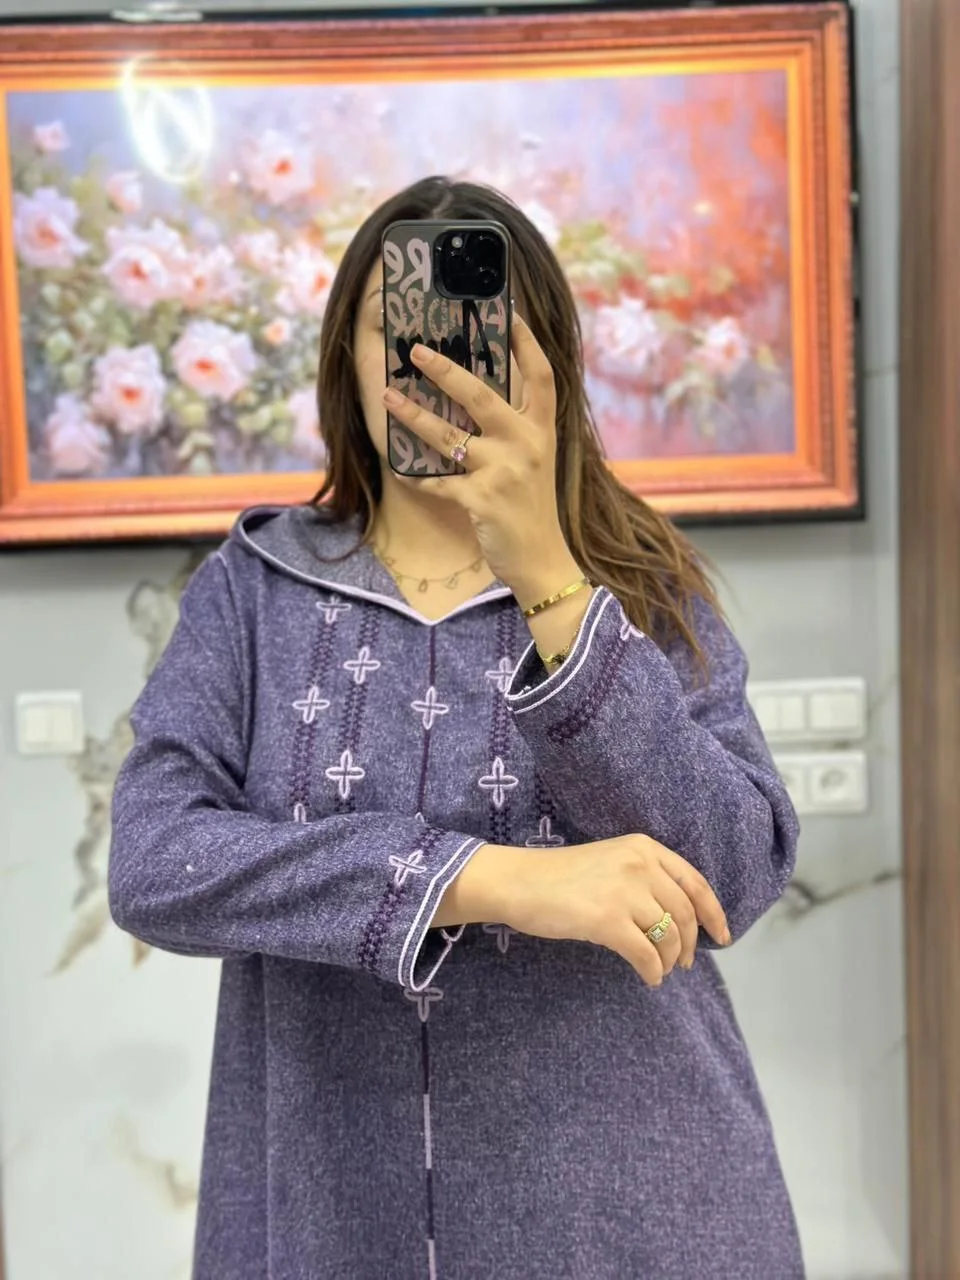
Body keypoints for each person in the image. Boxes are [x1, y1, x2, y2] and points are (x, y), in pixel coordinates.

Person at [109, 176, 804, 1279]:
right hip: (335, 1212)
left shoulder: (636, 583)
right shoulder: (252, 592)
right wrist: (484, 879)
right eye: (401, 333)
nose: (437, 368)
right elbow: (155, 862)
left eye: (478, 336)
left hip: (629, 1208)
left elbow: (734, 869)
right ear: (348, 357)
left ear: (546, 367)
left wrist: (554, 586)